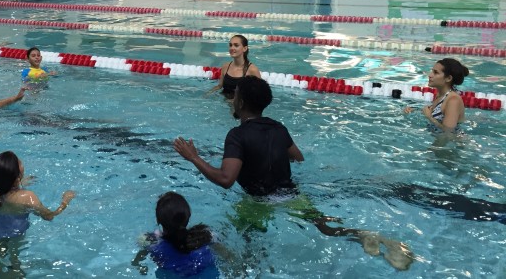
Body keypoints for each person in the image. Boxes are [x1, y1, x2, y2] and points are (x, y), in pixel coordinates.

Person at [173, 76, 414, 270]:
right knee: (327, 229)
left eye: (235, 95)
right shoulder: (278, 128)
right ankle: (363, 235)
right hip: (291, 194)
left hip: (258, 202)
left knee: (248, 252)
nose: (233, 98)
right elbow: (297, 158)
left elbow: (226, 179)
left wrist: (194, 157)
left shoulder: (237, 135)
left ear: (241, 102)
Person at [132, 192, 218, 277]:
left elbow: (136, 262)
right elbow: (225, 256)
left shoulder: (151, 242)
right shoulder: (206, 235)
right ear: (189, 215)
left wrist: (140, 267)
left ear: (158, 220)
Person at [404, 58, 468, 133]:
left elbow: (449, 132)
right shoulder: (440, 95)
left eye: (436, 72)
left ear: (448, 78)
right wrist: (415, 111)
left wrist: (429, 117)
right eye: (432, 71)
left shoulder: (453, 100)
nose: (430, 75)